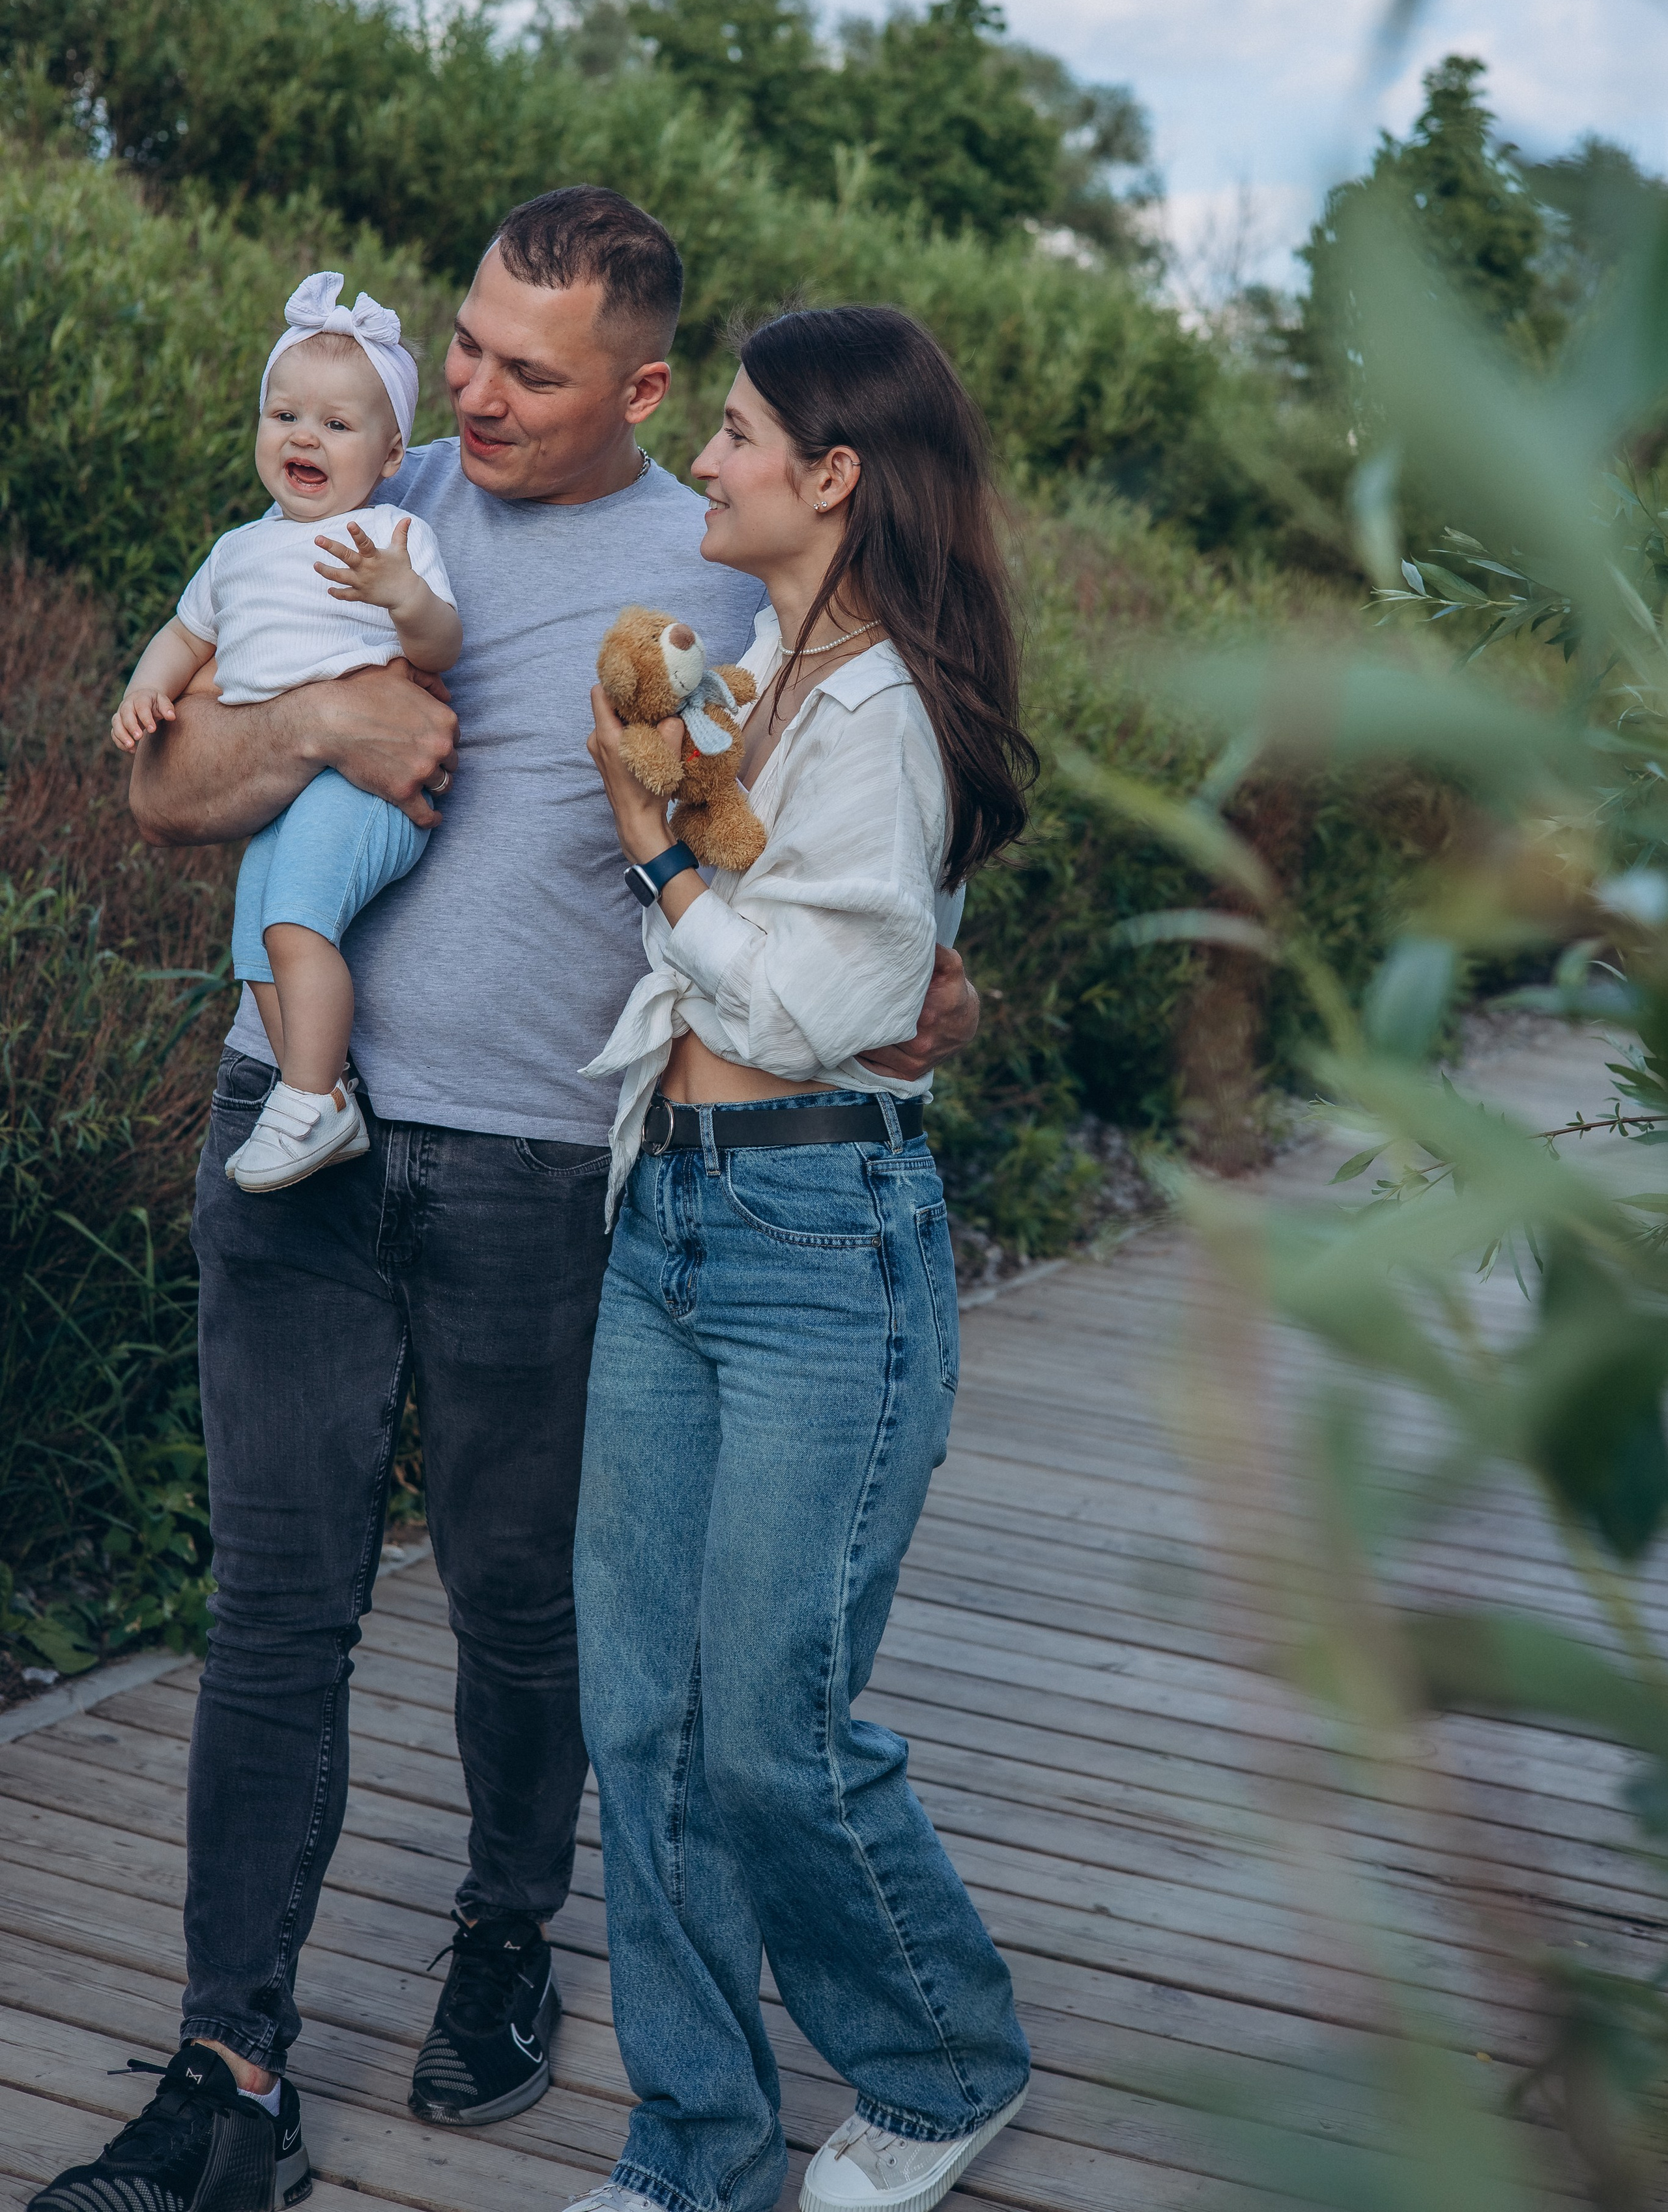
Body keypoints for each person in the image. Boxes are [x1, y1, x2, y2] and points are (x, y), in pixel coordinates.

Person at [28, 190, 983, 2212]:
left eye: (523, 373)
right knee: (272, 1606)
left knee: (521, 1606)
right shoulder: (369, 484)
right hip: (292, 1128)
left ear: (645, 390)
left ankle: (497, 1930)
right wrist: (316, 721)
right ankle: (230, 2073)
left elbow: (866, 803)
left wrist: (924, 974)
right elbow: (164, 793)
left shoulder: (725, 559)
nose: (467, 393)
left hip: (551, 1169)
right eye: (461, 343)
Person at [569, 306, 1037, 2212]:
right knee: (644, 1728)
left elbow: (826, 993)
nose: (709, 461)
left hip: (818, 1241)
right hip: (670, 1203)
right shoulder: (759, 673)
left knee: (770, 1730)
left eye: (738, 432)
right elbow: (812, 976)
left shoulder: (886, 712)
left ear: (832, 474)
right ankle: (696, 2149)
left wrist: (659, 863)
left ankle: (941, 2062)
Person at [111, 272, 463, 1193]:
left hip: (365, 787)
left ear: (391, 456)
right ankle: (321, 1096)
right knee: (253, 945)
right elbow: (189, 636)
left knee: (297, 923)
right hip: (290, 781)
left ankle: (310, 1096)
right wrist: (147, 692)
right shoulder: (240, 550)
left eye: (337, 427)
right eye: (285, 416)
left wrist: (405, 600)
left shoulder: (391, 535)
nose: (305, 437)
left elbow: (443, 641)